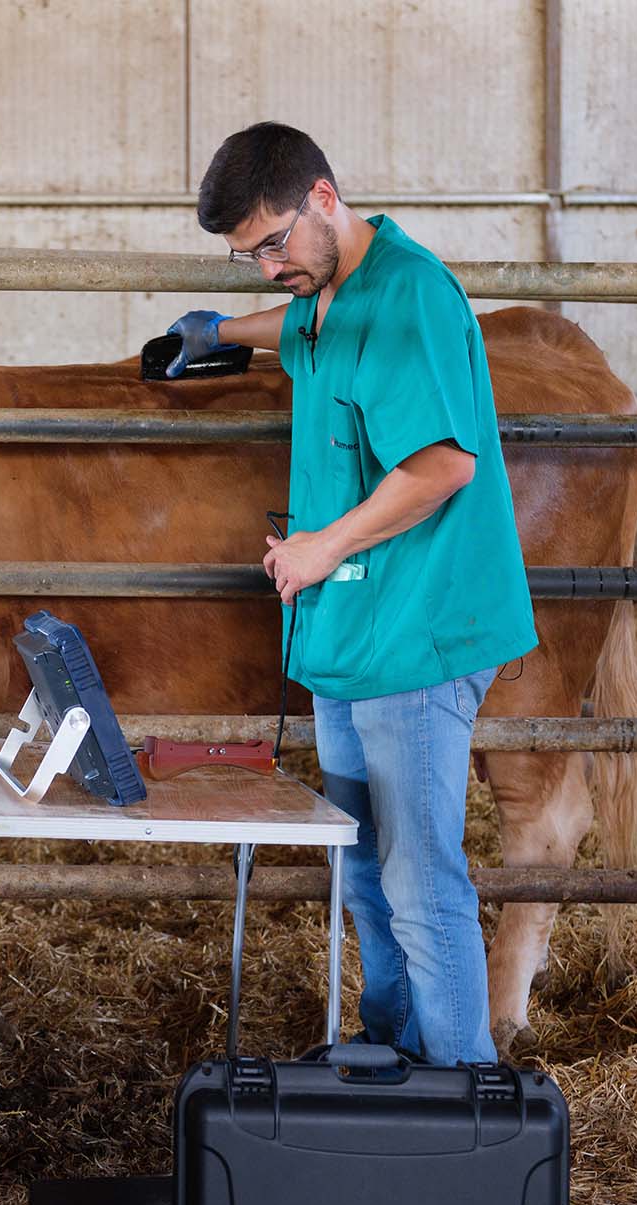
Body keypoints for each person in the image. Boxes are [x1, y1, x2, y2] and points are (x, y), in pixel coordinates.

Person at [166, 122, 537, 1065]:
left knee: (420, 882)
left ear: (323, 198)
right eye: (245, 253)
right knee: (364, 869)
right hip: (349, 639)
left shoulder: (406, 296)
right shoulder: (325, 292)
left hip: (415, 636)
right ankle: (393, 1059)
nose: (263, 268)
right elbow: (296, 326)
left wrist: (322, 546)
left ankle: (465, 1107)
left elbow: (446, 463)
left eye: (271, 244)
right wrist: (219, 335)